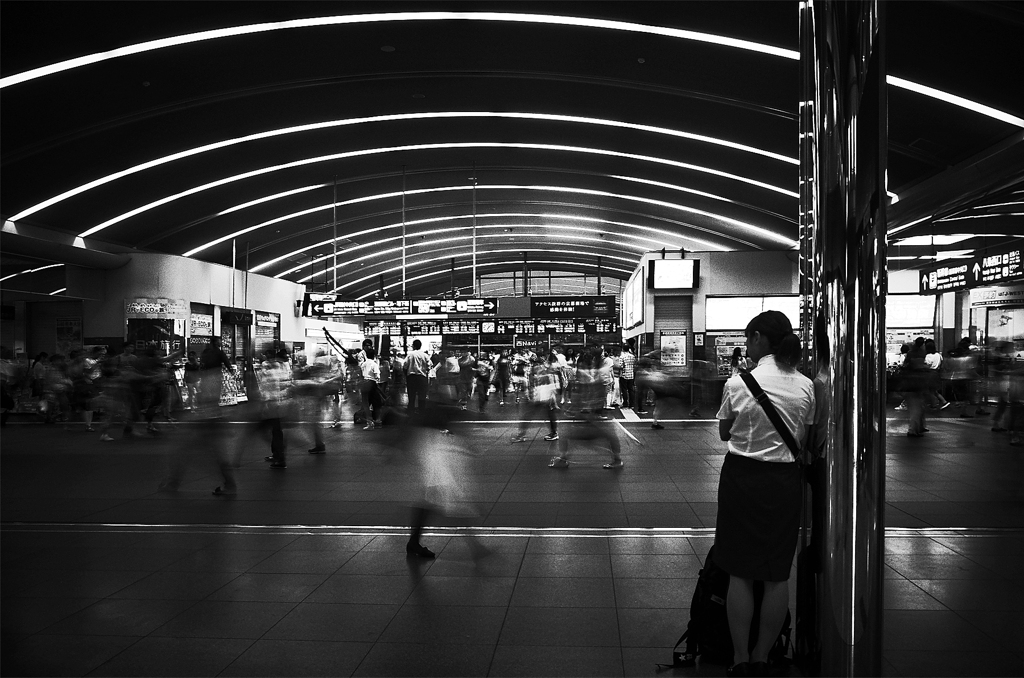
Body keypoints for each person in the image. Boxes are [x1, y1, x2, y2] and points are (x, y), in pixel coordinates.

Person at [715, 310, 814, 677]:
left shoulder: (739, 383)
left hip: (743, 479)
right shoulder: (804, 385)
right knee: (776, 574)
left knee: (739, 572)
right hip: (785, 482)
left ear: (758, 338)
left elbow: (725, 433)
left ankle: (740, 657)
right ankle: (762, 655)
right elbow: (806, 436)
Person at [404, 339, 432, 413]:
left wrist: (406, 376)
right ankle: (421, 410)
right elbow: (429, 366)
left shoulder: (410, 355)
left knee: (411, 395)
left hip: (411, 378)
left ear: (413, 346)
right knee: (422, 395)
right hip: (422, 378)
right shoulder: (425, 355)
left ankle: (411, 410)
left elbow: (405, 366)